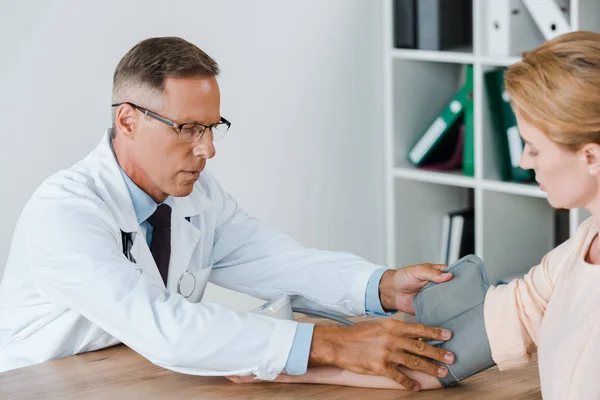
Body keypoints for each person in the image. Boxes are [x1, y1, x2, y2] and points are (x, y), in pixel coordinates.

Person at [0, 36, 456, 392]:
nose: (208, 149)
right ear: (127, 121)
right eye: (189, 129)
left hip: (135, 377)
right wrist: (332, 343)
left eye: (213, 128)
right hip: (41, 386)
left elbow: (276, 261)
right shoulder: (64, 213)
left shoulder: (196, 197)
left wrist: (382, 286)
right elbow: (162, 326)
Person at [228, 30, 600, 397]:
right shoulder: (574, 255)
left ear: (591, 157)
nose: (522, 160)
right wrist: (281, 368)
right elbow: (439, 359)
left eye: (533, 148)